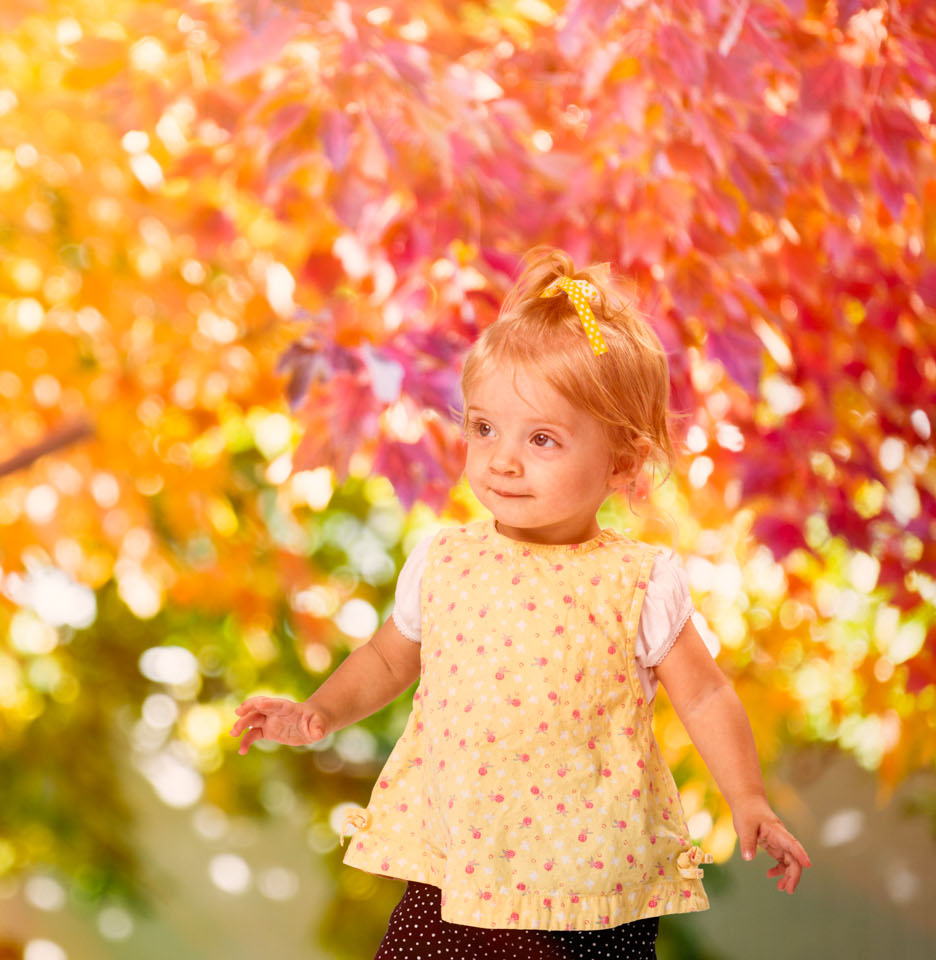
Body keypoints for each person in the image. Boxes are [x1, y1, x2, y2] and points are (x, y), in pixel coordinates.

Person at [230, 247, 811, 958]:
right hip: (458, 870)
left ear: (622, 463)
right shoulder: (444, 561)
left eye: (542, 439)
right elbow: (387, 659)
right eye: (483, 428)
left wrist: (748, 799)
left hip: (593, 887)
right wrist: (318, 709)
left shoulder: (638, 580)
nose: (502, 459)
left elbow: (707, 697)